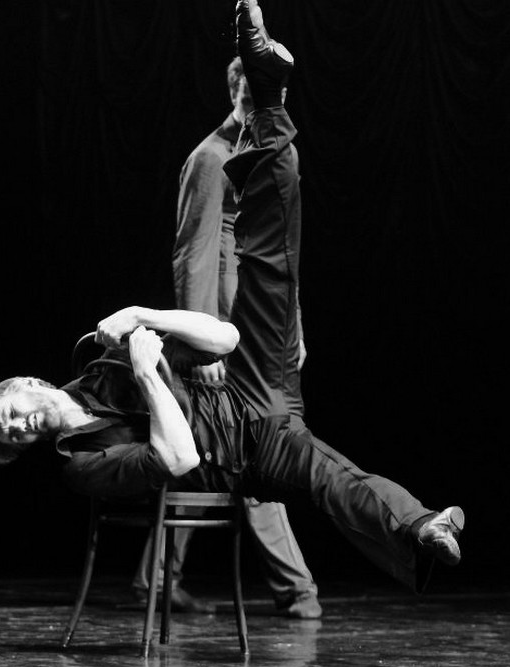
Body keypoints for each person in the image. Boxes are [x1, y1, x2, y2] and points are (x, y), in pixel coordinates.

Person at [0, 0, 464, 601]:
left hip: (240, 363)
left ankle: (274, 99)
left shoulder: (101, 363)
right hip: (242, 441)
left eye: (10, 414)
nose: (20, 426)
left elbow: (225, 337)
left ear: (25, 383)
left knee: (276, 246)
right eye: (14, 436)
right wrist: (152, 373)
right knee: (324, 474)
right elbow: (193, 257)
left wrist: (148, 319)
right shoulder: (82, 464)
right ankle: (410, 532)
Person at [132, 55, 320, 619]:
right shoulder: (211, 157)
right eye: (251, 93)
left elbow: (282, 253)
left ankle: (156, 579)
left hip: (264, 328)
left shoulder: (273, 152)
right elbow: (193, 252)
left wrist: (293, 327)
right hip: (225, 333)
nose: (260, 102)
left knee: (228, 452)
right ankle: (295, 587)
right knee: (247, 448)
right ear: (235, 90)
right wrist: (199, 344)